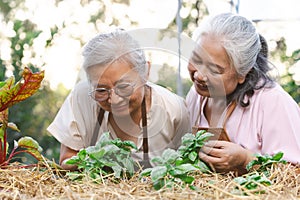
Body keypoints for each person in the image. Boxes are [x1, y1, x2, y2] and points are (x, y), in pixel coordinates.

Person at [47, 29, 191, 170]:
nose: (114, 100)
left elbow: (188, 164)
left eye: (123, 87)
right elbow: (67, 159)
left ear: (145, 72)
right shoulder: (81, 98)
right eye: (101, 90)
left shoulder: (174, 110)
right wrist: (98, 159)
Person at [186, 13, 300, 175]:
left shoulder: (273, 101)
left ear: (242, 73)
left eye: (214, 70)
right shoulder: (197, 94)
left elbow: (294, 174)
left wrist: (246, 160)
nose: (199, 75)